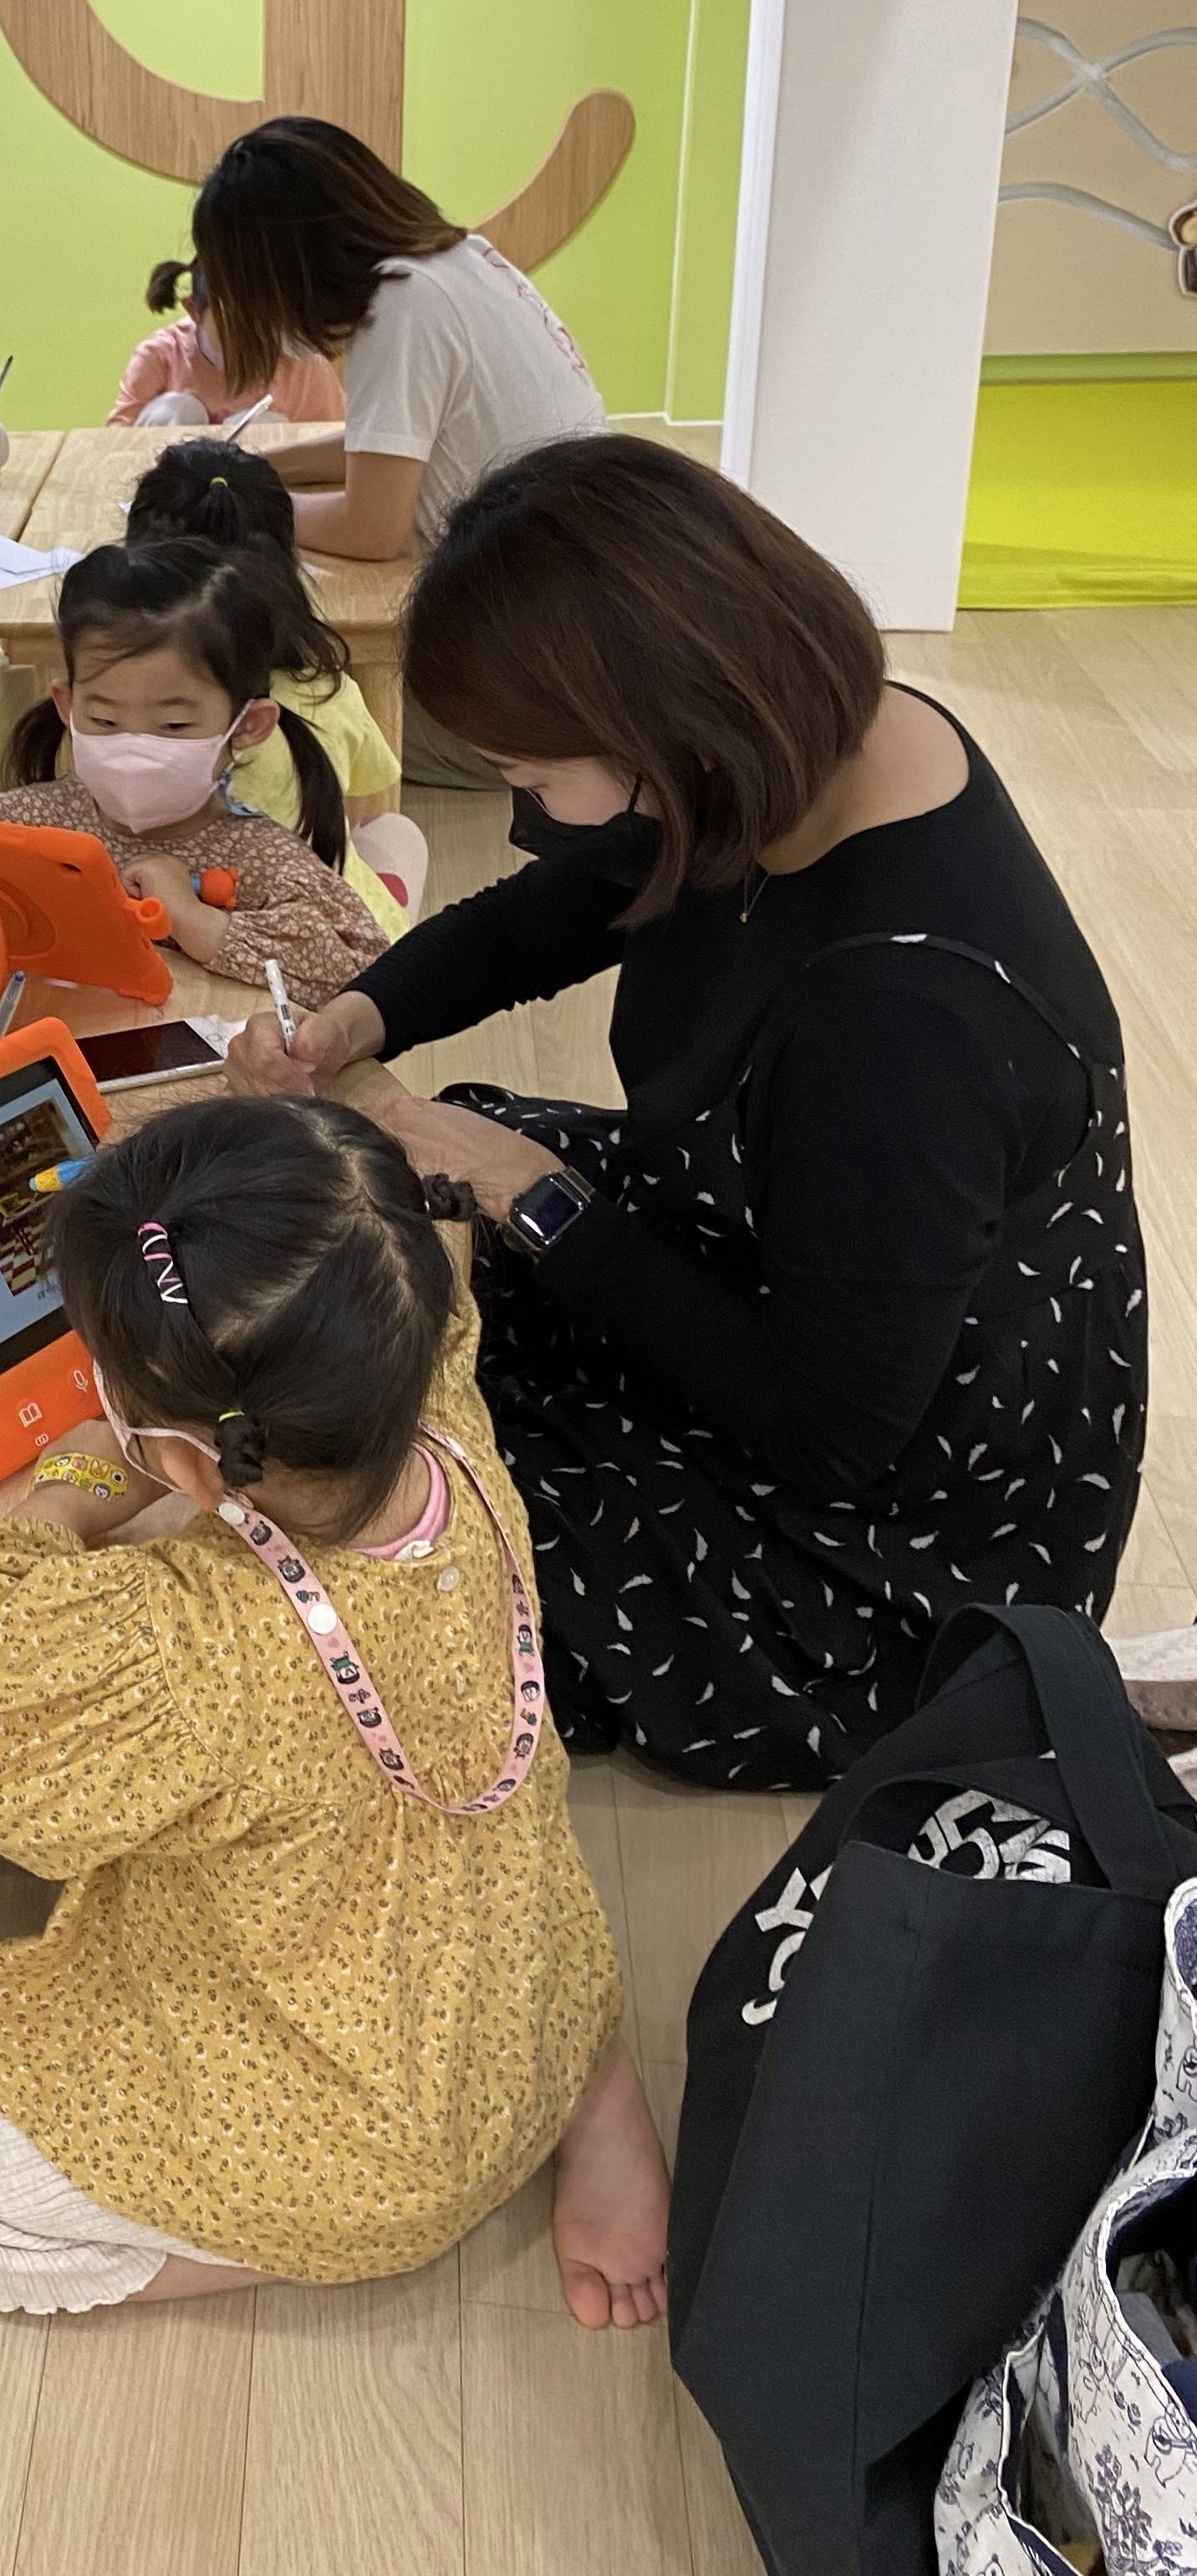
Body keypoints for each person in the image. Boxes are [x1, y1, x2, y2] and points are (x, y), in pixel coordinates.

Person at [227, 437, 1144, 1792]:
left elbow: (830, 1433)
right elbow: (569, 899)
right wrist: (360, 1016)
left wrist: (538, 1196)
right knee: (428, 1185)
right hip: (816, 1249)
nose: (527, 808)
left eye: (534, 771)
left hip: (902, 1539)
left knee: (427, 1513)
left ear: (663, 727)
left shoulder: (898, 1023)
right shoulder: (799, 746)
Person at [0, 1096, 665, 2330]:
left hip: (368, 2149)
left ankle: (319, 2243)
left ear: (195, 1457)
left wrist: (79, 1476)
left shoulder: (192, 1646)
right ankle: (594, 2081)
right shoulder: (444, 1402)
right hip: (527, 1999)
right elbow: (411, 1230)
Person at [176, 118, 605, 787]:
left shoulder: (401, 306)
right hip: (580, 636)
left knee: (256, 707)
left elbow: (372, 529)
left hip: (536, 693)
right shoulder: (457, 262)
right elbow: (386, 444)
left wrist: (238, 505)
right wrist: (251, 469)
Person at [0, 539, 395, 1014]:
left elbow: (365, 976)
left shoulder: (260, 858)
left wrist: (192, 918)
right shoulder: (43, 818)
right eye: (105, 720)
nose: (134, 750)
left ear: (246, 726)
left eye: (174, 726)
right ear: (67, 707)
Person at [123, 435, 427, 924]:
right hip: (314, 938)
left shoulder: (109, 712)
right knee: (392, 830)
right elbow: (366, 792)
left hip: (162, 919)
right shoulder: (321, 693)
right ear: (285, 564)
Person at [108, 257, 345, 430]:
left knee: (263, 425)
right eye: (233, 322)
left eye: (265, 320)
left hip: (267, 480)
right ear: (193, 310)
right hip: (175, 478)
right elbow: (115, 442)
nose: (251, 336)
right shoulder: (162, 354)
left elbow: (334, 443)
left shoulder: (302, 363)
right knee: (175, 410)